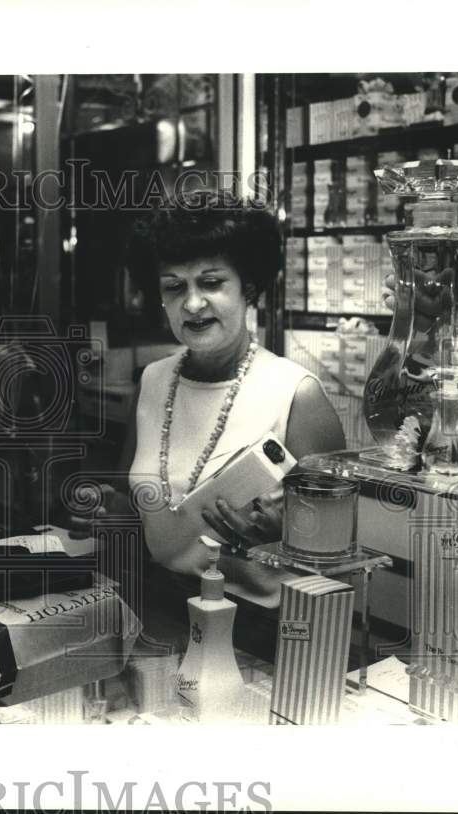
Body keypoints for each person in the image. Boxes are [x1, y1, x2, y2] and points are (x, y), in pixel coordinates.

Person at [100, 192, 346, 608]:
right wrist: (102, 510)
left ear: (248, 289)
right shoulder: (154, 380)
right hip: (161, 605)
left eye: (211, 283)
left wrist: (283, 537)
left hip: (261, 628)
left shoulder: (296, 394)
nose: (192, 303)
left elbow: (339, 546)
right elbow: (132, 501)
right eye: (174, 287)